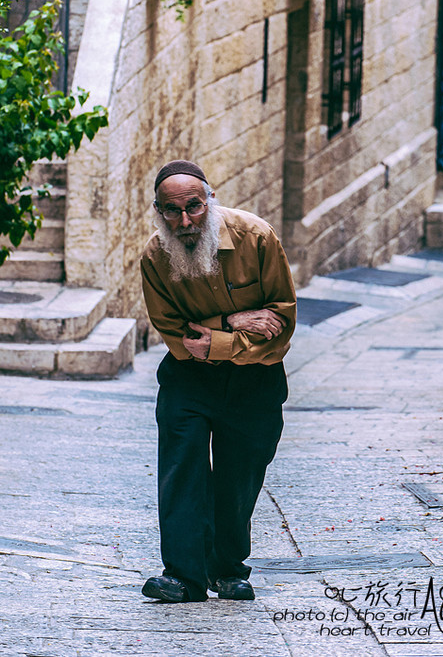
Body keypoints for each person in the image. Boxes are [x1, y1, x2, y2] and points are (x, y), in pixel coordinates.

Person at [140, 159, 296, 603]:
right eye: (172, 210)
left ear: (211, 199)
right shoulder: (154, 256)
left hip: (255, 378)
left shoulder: (257, 237)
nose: (185, 220)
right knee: (182, 468)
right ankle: (183, 576)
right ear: (158, 210)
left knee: (239, 476)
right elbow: (177, 334)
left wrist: (218, 339)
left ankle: (226, 568)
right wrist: (232, 319)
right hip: (189, 379)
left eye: (193, 206)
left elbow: (280, 324)